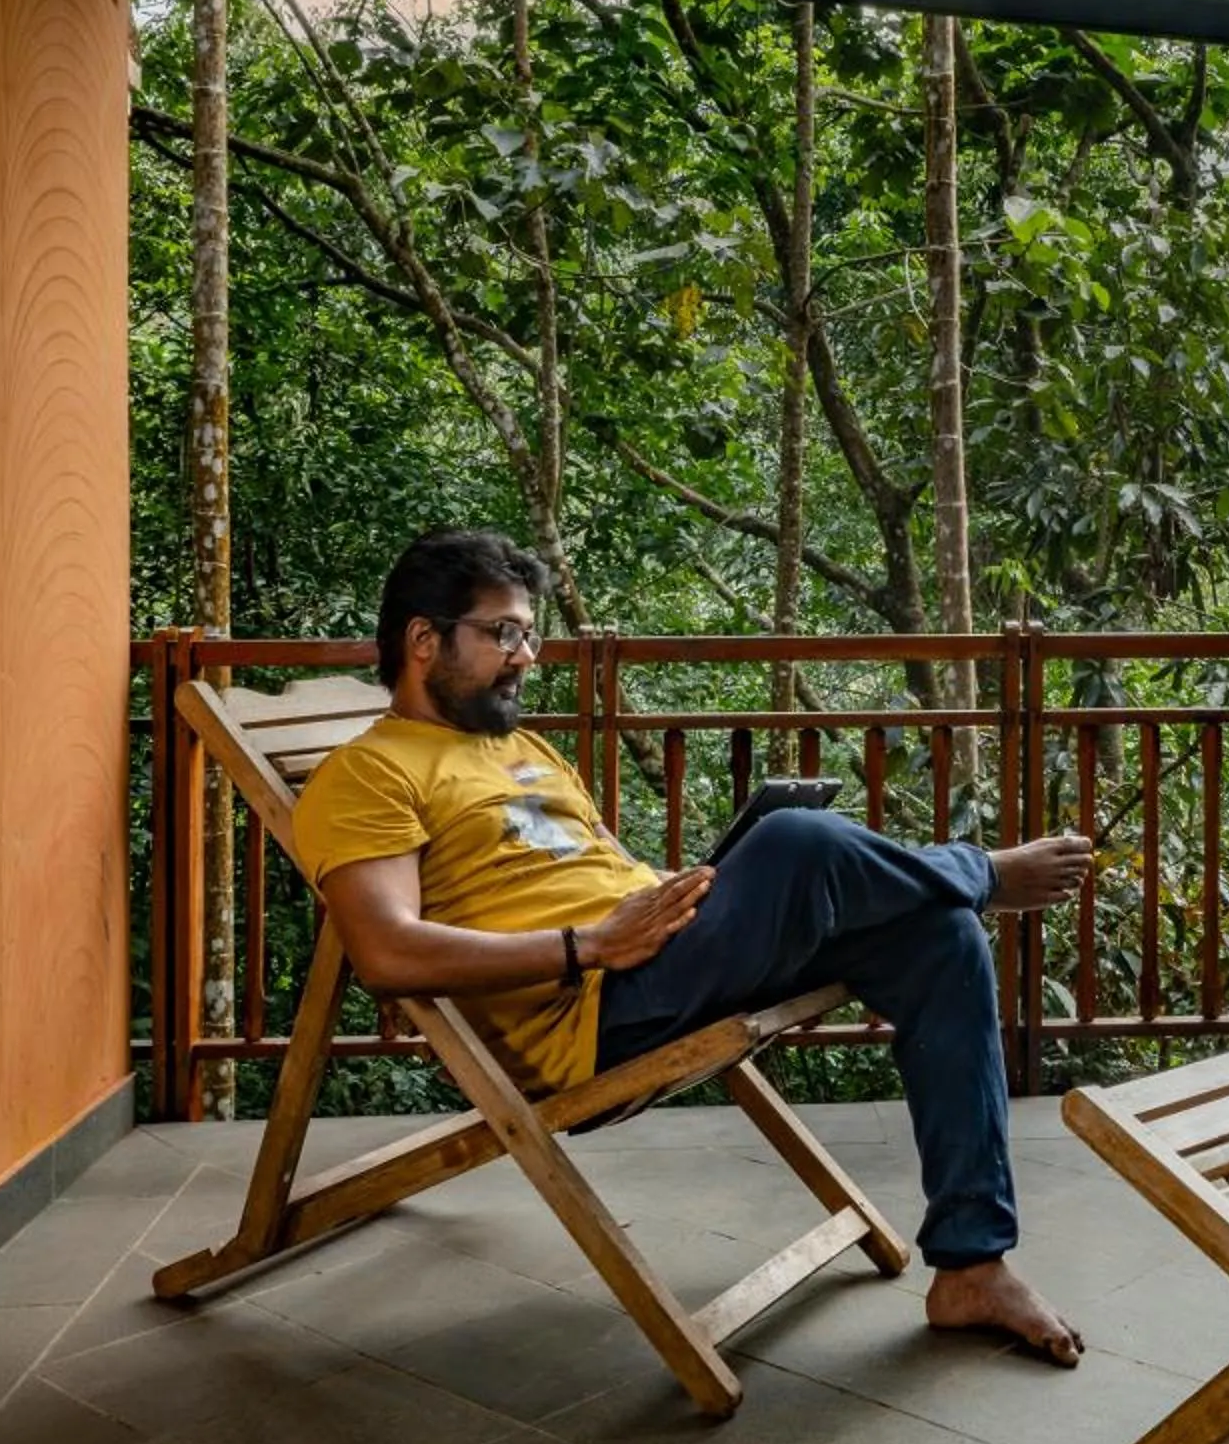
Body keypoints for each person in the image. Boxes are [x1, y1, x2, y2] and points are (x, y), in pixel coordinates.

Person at [289, 527, 1094, 1364]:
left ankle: (971, 1265)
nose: (526, 655)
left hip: (650, 953)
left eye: (531, 633)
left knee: (940, 935)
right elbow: (388, 955)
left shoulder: (520, 749)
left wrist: (684, 887)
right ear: (424, 640)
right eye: (503, 632)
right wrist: (588, 946)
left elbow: (596, 868)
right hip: (592, 1011)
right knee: (796, 841)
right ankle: (982, 871)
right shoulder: (368, 775)